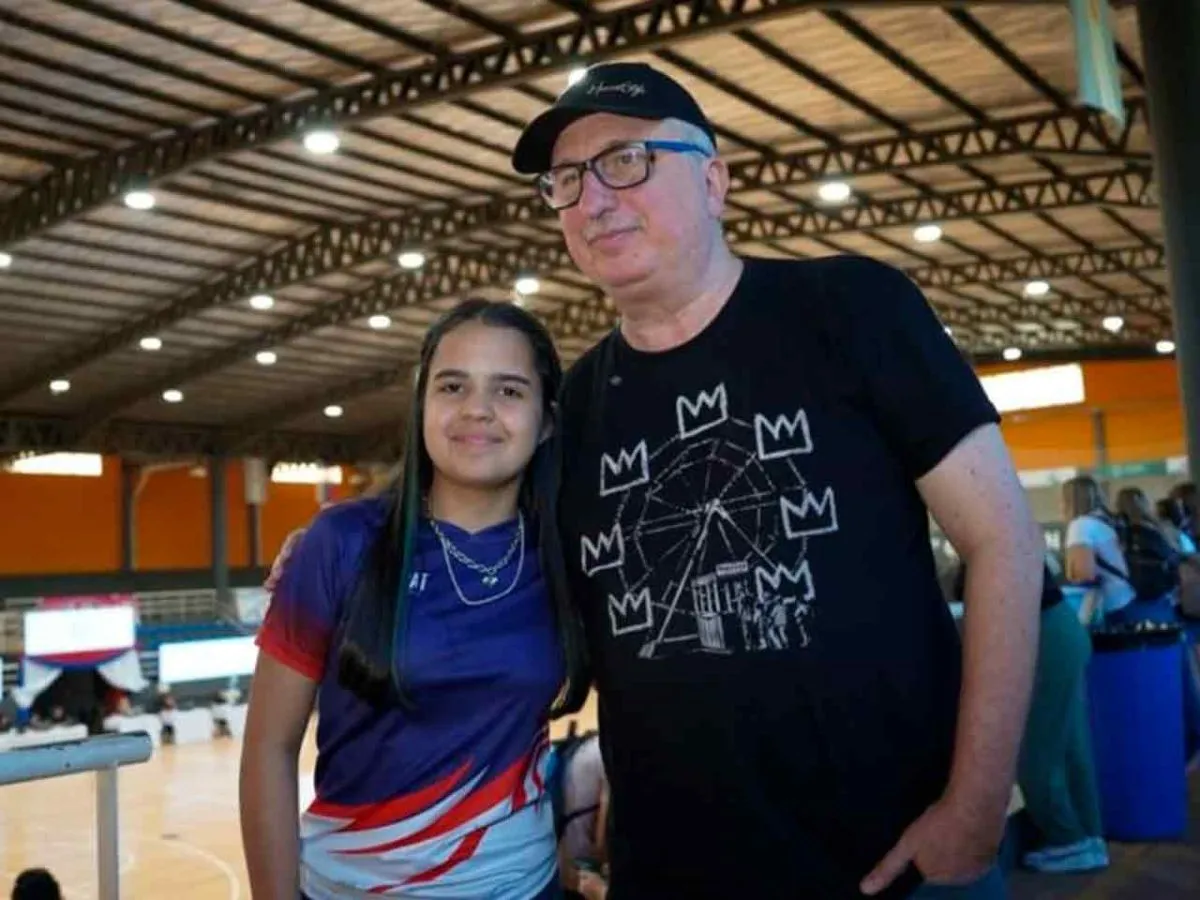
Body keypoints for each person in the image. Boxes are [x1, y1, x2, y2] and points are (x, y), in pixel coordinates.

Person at [510, 61, 1044, 899]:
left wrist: (976, 803)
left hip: (894, 860)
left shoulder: (850, 309)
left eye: (626, 160)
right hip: (675, 874)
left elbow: (1003, 538)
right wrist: (346, 548)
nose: (594, 199)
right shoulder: (573, 406)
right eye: (567, 180)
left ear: (714, 181)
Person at [239, 299, 588, 900]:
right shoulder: (341, 542)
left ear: (547, 420)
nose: (476, 409)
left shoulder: (569, 552)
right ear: (422, 404)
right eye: (452, 386)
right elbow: (269, 748)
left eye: (508, 391)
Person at [958, 558, 1107, 873]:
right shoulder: (1016, 541)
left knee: (1036, 754)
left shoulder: (988, 550)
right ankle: (1089, 838)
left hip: (1045, 642)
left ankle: (1067, 840)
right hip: (1063, 633)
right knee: (1071, 750)